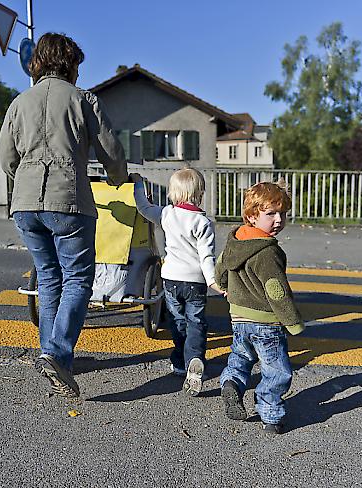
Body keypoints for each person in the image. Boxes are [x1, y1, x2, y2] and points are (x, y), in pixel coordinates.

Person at [0, 33, 127, 398]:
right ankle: (56, 353)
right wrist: (119, 179)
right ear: (70, 64)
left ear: (37, 63)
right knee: (77, 280)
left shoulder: (19, 102)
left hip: (24, 204)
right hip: (68, 200)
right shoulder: (83, 100)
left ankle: (53, 356)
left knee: (49, 278)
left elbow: (6, 157)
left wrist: (23, 179)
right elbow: (110, 151)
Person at [215, 182, 305, 434]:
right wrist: (292, 321)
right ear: (252, 215)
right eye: (271, 214)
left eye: (283, 213)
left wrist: (223, 285)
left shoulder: (235, 241)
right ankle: (270, 414)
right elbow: (276, 290)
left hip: (238, 317)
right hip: (266, 321)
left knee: (241, 356)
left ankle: (232, 382)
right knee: (276, 369)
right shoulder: (268, 252)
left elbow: (221, 266)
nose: (278, 220)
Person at [129, 169, 222, 396]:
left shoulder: (167, 214)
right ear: (200, 193)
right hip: (196, 282)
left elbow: (143, 207)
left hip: (170, 279)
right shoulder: (203, 222)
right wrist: (213, 281)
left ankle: (180, 363)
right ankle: (195, 360)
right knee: (196, 322)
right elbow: (206, 257)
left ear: (172, 192)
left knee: (178, 321)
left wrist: (138, 185)